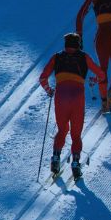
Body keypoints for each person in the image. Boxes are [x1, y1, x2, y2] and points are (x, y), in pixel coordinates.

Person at [39, 33, 106, 179]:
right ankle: (75, 164)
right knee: (76, 134)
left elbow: (43, 77)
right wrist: (93, 80)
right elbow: (101, 74)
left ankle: (55, 158)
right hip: (77, 97)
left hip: (61, 96)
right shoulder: (84, 57)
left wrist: (49, 90)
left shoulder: (57, 57)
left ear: (66, 44)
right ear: (78, 44)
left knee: (62, 130)